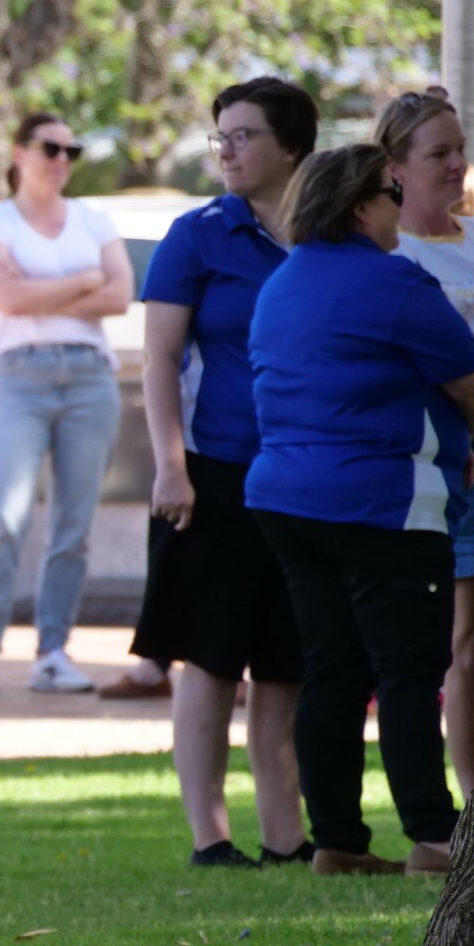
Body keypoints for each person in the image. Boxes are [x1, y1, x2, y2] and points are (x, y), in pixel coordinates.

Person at [248, 143, 474, 877]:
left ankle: (338, 841)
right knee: (408, 670)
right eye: (392, 194)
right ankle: (435, 836)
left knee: (333, 671)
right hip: (383, 502)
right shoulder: (396, 281)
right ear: (360, 208)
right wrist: (462, 440)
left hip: (286, 501)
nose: (399, 208)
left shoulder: (282, 281)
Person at [131, 78, 314, 867]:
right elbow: (159, 359)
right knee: (208, 656)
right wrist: (171, 467)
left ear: (292, 147)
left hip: (307, 475)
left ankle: (286, 837)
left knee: (286, 661)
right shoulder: (198, 234)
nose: (227, 152)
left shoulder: (330, 234)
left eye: (244, 136)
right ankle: (211, 837)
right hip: (213, 471)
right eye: (222, 137)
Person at [0, 113, 133, 696]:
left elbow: (120, 294)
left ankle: (53, 653)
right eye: (50, 148)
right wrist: (83, 281)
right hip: (18, 377)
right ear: (19, 152)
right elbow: (8, 298)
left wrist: (40, 292)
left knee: (73, 524)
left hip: (89, 377)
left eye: (72, 150)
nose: (62, 160)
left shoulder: (94, 221)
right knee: (5, 514)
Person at [384, 88, 474, 805]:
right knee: (468, 641)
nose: (456, 165)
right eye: (437, 153)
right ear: (394, 167)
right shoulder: (393, 255)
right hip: (457, 458)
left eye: (460, 150)